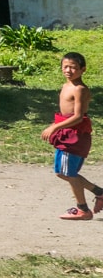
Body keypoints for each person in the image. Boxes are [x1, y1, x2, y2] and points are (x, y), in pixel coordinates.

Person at [43, 51, 102, 220]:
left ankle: (83, 209)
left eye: (73, 67)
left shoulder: (80, 90)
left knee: (68, 173)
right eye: (65, 67)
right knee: (62, 172)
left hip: (74, 135)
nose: (68, 70)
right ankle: (99, 193)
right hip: (66, 133)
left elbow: (78, 117)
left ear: (83, 69)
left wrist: (54, 127)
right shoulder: (66, 86)